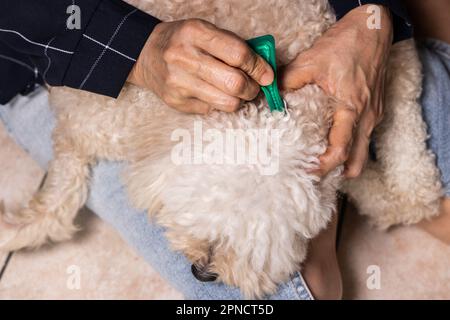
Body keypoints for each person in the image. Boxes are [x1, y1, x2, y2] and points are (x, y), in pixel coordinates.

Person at [0, 0, 445, 299]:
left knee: (428, 181)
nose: (204, 264)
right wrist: (136, 49)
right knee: (284, 290)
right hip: (50, 60)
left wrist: (369, 20)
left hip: (314, 39)